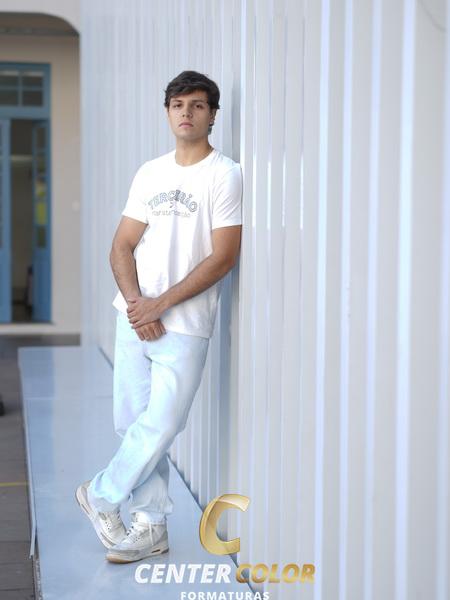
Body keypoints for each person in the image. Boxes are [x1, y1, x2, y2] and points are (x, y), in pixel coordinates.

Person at [75, 70, 243, 564]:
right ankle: (150, 528)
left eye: (197, 105)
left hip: (186, 323)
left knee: (163, 423)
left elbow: (223, 256)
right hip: (134, 317)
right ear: (168, 112)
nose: (186, 113)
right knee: (133, 425)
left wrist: (160, 304)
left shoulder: (224, 174)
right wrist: (137, 305)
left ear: (213, 115)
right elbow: (121, 246)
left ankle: (101, 494)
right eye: (177, 105)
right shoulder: (150, 173)